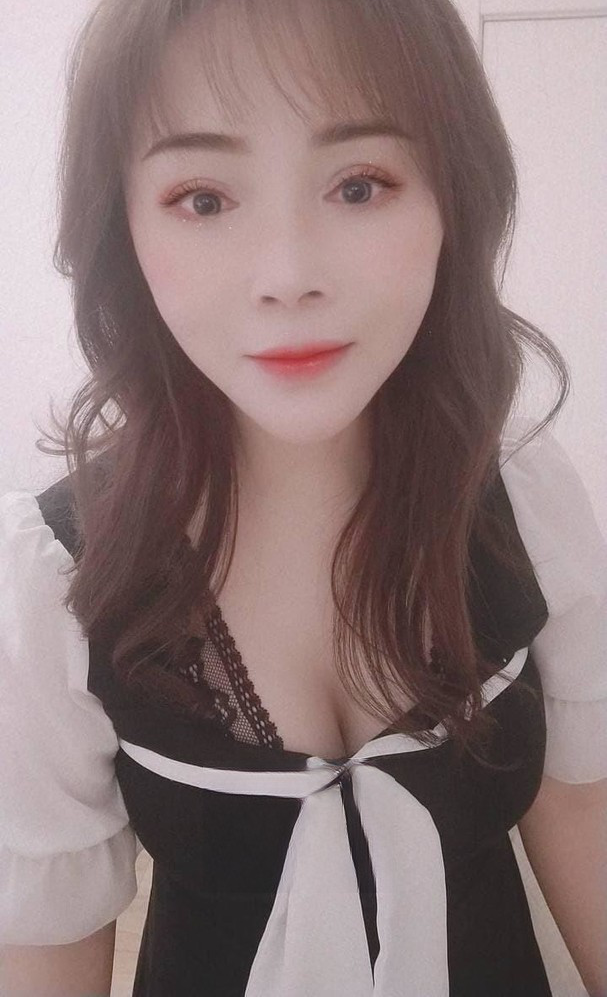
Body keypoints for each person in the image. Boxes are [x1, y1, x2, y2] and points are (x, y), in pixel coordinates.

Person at [1, 0, 606, 995]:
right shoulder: (60, 580)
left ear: (451, 199)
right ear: (122, 227)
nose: (286, 276)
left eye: (358, 185)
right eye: (203, 198)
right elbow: (49, 945)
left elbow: (579, 805)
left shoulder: (521, 501)